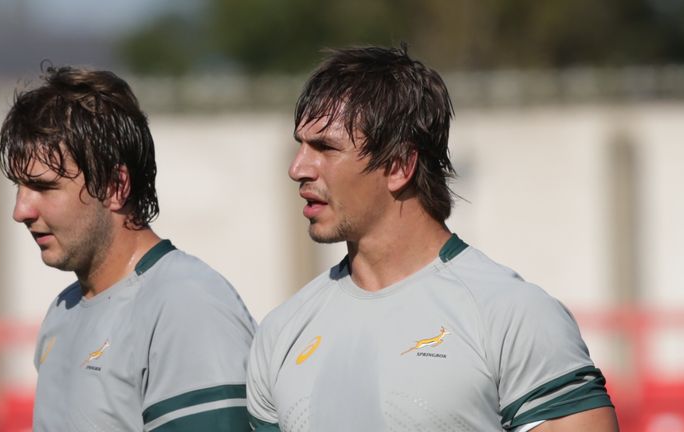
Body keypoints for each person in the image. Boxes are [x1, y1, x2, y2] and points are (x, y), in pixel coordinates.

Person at [246, 45, 619, 431]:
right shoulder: (280, 335)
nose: (298, 168)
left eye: (325, 147)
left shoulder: (513, 315)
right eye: (300, 145)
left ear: (399, 166)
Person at [0, 65, 256, 431]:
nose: (20, 211)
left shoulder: (185, 304)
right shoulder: (61, 313)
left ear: (116, 185)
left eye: (44, 187)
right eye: (19, 187)